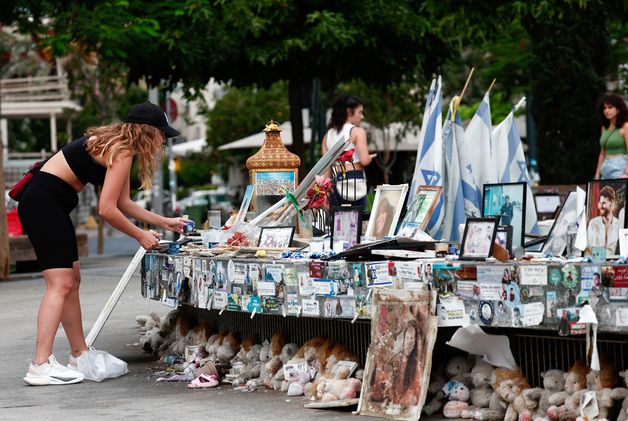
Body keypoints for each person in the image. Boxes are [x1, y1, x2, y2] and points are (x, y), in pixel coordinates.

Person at [18, 102, 188, 386]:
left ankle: (79, 354)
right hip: (43, 205)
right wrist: (139, 235)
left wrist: (163, 221)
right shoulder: (121, 151)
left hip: (49, 205)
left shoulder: (120, 147)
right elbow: (107, 209)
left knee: (72, 280)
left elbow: (124, 202)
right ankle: (40, 363)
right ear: (149, 133)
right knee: (60, 284)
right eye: (162, 135)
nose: (163, 142)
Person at [322, 95, 372, 208]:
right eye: (360, 112)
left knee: (338, 223)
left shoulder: (328, 135)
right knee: (356, 222)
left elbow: (326, 171)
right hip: (355, 182)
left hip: (336, 184)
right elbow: (364, 160)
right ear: (349, 112)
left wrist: (326, 194)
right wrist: (369, 157)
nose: (362, 116)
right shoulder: (357, 132)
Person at [594, 94, 628, 179]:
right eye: (605, 108)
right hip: (605, 168)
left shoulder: (625, 126)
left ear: (618, 110)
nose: (606, 110)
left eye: (610, 107)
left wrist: (626, 173)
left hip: (619, 167)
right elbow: (602, 153)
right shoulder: (604, 128)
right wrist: (597, 175)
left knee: (617, 192)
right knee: (604, 192)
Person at [587, 185, 620, 254]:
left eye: (604, 203)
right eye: (600, 203)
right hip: (595, 262)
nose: (600, 206)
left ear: (611, 202)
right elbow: (587, 249)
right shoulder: (593, 223)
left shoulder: (618, 225)